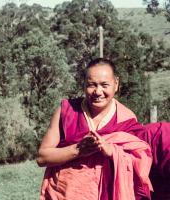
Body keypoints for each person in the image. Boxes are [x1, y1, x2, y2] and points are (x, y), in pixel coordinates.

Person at [37, 58, 153, 200]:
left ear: (116, 84)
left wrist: (112, 152)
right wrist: (77, 150)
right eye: (92, 85)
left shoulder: (126, 119)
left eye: (105, 85)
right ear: (84, 84)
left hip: (106, 194)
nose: (98, 92)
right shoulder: (66, 111)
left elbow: (139, 163)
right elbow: (42, 157)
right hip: (63, 193)